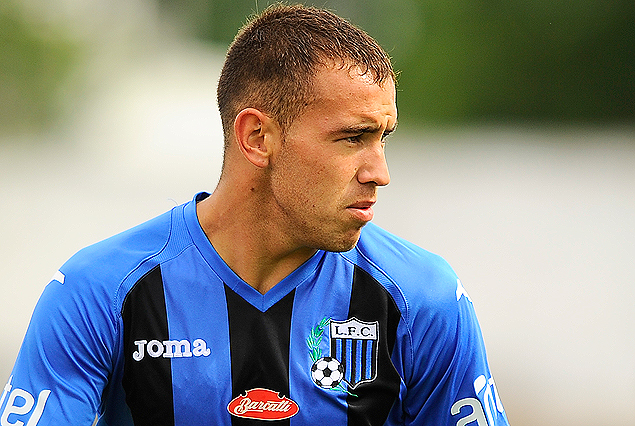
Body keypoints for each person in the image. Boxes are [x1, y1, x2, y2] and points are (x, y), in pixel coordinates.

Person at [2, 4, 510, 426]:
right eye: (353, 138)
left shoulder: (423, 298)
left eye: (383, 138)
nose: (380, 172)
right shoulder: (100, 291)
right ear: (257, 137)